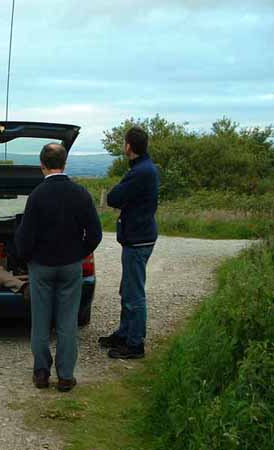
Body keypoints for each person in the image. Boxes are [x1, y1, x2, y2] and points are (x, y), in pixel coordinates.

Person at [15, 143, 102, 392]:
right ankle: (65, 376)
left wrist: (26, 258)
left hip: (41, 266)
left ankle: (41, 373)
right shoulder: (80, 193)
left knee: (40, 321)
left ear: (42, 164)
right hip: (70, 266)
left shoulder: (37, 196)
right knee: (67, 322)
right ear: (65, 163)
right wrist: (78, 253)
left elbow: (25, 236)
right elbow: (95, 233)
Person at [98, 126, 159, 359]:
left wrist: (119, 194)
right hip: (138, 237)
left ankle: (135, 344)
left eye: (124, 143)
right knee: (128, 290)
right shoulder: (143, 168)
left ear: (129, 147)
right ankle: (124, 334)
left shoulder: (141, 172)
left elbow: (114, 197)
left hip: (138, 240)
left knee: (134, 295)